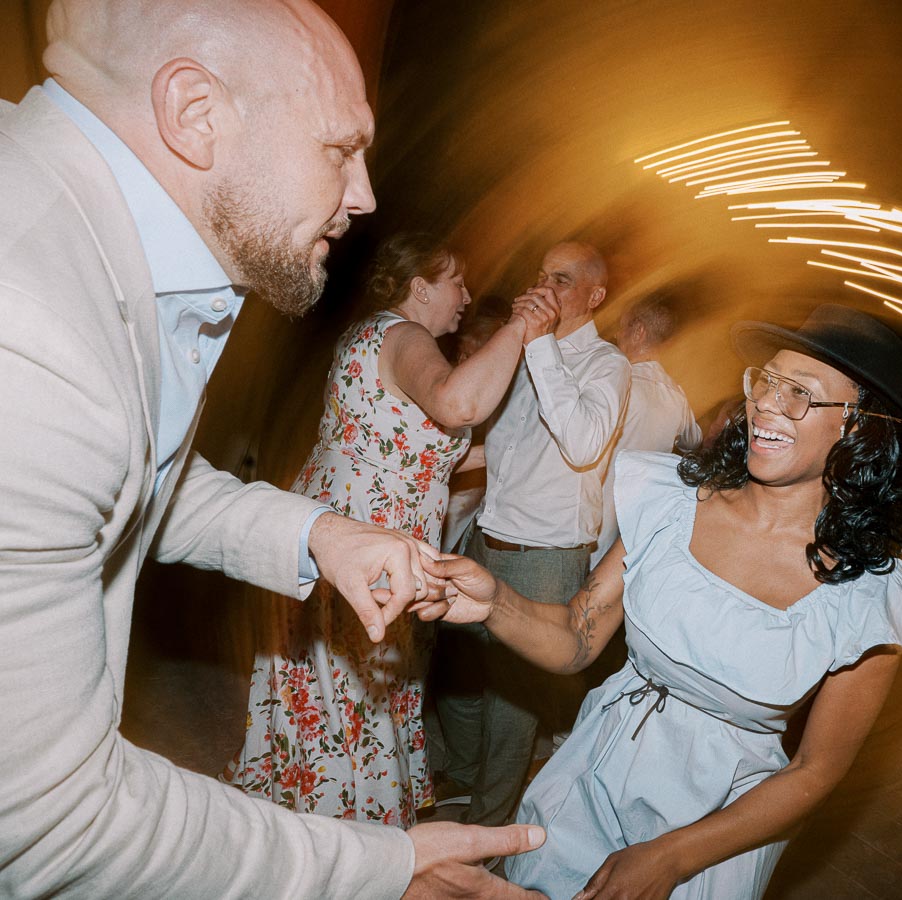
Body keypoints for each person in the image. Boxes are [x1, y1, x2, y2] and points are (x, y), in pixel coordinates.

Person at [0, 1, 544, 896]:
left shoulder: (95, 239)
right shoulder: (36, 330)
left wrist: (321, 535)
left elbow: (143, 479)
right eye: (340, 149)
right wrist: (381, 868)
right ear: (195, 112)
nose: (365, 194)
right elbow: (51, 823)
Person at [437, 303, 902, 899]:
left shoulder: (870, 598)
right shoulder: (672, 502)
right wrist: (493, 602)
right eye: (767, 381)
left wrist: (672, 858)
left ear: (859, 426)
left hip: (715, 831)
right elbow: (579, 636)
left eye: (799, 394)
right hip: (591, 777)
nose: (766, 403)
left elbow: (817, 772)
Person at [224, 233, 558, 827]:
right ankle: (346, 855)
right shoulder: (405, 335)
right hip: (366, 557)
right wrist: (519, 328)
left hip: (343, 536)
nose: (467, 295)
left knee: (331, 707)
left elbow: (419, 453)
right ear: (421, 285)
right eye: (457, 281)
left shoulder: (369, 333)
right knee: (351, 710)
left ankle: (300, 837)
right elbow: (458, 405)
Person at [455, 240, 632, 828]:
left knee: (512, 707)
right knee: (461, 678)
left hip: (547, 560)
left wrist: (539, 347)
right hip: (486, 536)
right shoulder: (530, 351)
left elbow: (582, 445)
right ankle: (460, 788)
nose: (542, 289)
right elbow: (511, 446)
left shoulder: (607, 364)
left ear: (593, 295)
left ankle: (485, 834)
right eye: (540, 276)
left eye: (560, 279)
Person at [590, 292, 702, 568]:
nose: (617, 334)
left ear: (638, 332)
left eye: (622, 326)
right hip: (634, 529)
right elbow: (693, 440)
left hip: (593, 521)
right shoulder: (676, 394)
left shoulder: (616, 383)